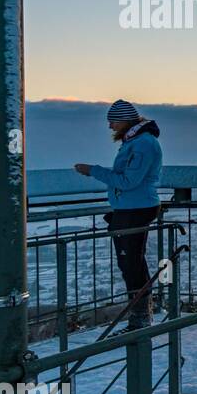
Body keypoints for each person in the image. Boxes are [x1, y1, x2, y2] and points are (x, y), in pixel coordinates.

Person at [74, 100, 163, 330]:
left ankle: (141, 317)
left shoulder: (142, 144)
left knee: (131, 263)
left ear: (125, 121)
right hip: (131, 208)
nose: (111, 127)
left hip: (135, 208)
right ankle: (141, 315)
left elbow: (128, 181)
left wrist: (94, 171)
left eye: (113, 121)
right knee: (131, 262)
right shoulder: (136, 141)